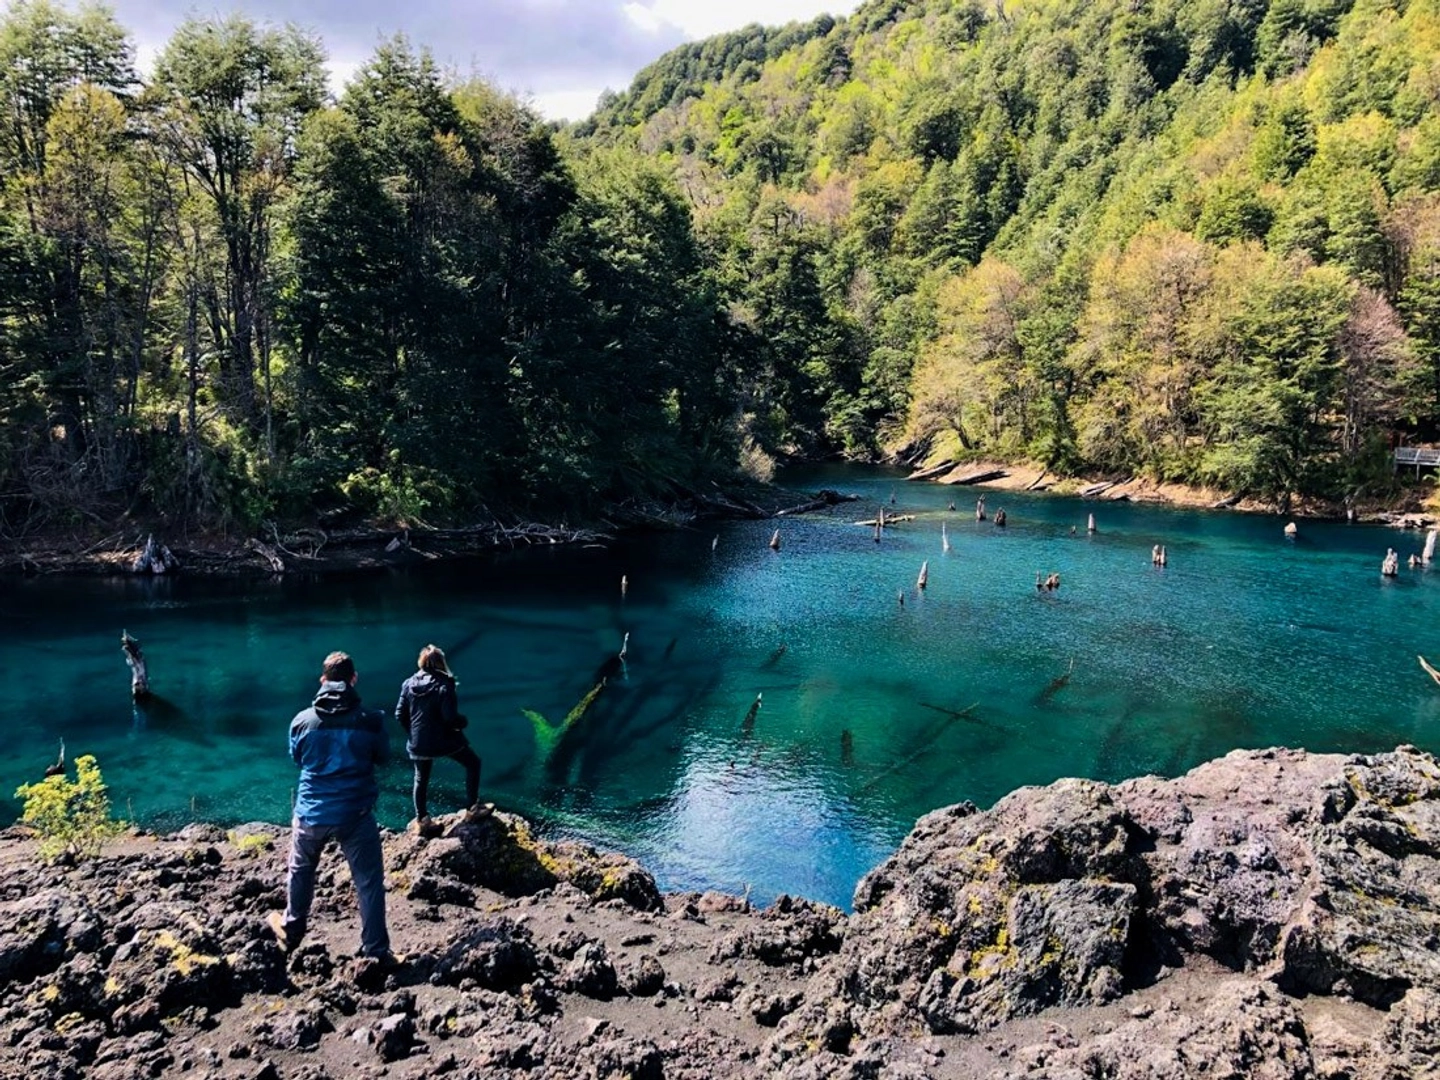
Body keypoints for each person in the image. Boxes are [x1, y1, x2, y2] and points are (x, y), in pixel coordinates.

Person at [269, 651, 394, 964]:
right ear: (354, 679)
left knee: (300, 870)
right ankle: (375, 951)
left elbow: (297, 758)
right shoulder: (372, 720)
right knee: (368, 883)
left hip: (312, 811)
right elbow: (383, 758)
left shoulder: (302, 721)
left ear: (323, 680)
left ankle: (293, 928)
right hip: (356, 813)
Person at [396, 644, 491, 832]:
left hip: (418, 743)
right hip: (444, 741)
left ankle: (422, 821)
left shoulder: (408, 683)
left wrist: (414, 732)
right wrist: (462, 723)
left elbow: (399, 714)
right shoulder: (445, 683)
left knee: (420, 778)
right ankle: (473, 808)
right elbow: (449, 718)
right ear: (441, 662)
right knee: (473, 763)